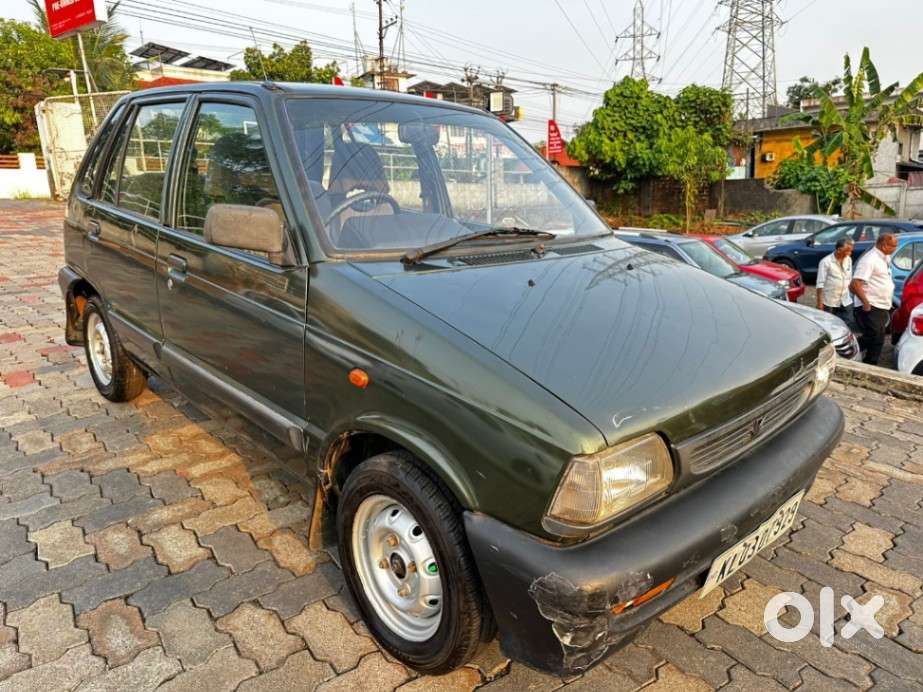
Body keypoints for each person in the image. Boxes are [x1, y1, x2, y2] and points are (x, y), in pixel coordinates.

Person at [850, 232, 898, 365]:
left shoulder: (884, 258)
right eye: (894, 246)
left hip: (882, 305)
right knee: (873, 336)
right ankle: (847, 350)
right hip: (871, 305)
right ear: (884, 245)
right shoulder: (869, 259)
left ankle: (870, 362)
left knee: (879, 338)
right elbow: (855, 283)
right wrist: (865, 302)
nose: (895, 248)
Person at [816, 237, 854, 320]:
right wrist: (820, 304)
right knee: (829, 325)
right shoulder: (825, 262)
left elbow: (849, 279)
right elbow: (820, 284)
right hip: (829, 302)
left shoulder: (848, 260)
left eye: (851, 251)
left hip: (846, 300)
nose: (850, 253)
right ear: (839, 250)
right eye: (848, 251)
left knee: (848, 322)